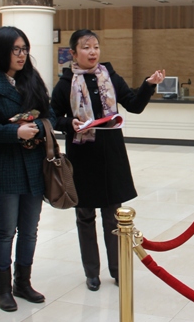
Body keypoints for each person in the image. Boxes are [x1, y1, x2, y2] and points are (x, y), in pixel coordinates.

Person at [50, 29, 165, 291]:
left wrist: (148, 85)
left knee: (113, 217)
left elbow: (133, 105)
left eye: (96, 47)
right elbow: (52, 116)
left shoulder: (110, 77)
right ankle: (91, 272)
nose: (92, 52)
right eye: (86, 47)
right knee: (85, 215)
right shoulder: (66, 83)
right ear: (74, 53)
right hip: (82, 157)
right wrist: (69, 123)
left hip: (111, 154)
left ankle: (117, 269)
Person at [0, 26, 55, 312]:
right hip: (4, 166)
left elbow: (50, 115)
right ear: (2, 52)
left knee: (30, 230)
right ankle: (3, 289)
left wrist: (39, 128)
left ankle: (23, 282)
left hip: (34, 165)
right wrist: (14, 132)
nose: (22, 55)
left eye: (24, 49)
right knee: (6, 229)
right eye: (16, 50)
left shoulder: (33, 80)